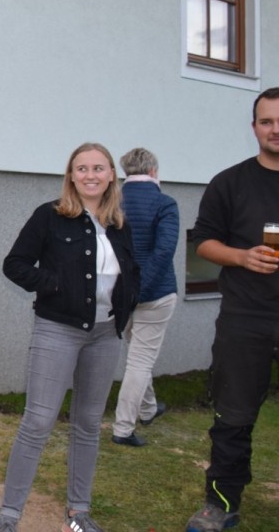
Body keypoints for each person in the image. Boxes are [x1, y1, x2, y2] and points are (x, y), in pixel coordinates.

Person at [0, 143, 139, 532]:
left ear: (112, 175)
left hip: (105, 335)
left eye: (98, 168)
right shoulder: (50, 216)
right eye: (82, 168)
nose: (90, 175)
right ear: (71, 176)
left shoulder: (119, 224)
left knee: (88, 424)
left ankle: (77, 514)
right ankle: (9, 517)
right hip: (57, 329)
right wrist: (55, 284)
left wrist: (128, 303)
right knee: (38, 421)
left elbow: (131, 271)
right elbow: (15, 265)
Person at [185, 86, 279, 532]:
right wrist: (242, 256)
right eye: (267, 121)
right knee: (233, 418)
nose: (275, 129)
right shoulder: (230, 182)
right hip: (245, 317)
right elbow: (203, 242)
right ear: (254, 127)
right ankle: (221, 504)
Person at [110, 147, 180, 447]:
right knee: (140, 360)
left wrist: (128, 291)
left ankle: (149, 409)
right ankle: (123, 429)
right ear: (153, 171)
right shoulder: (165, 203)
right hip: (157, 294)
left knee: (139, 353)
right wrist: (140, 288)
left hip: (120, 294)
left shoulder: (112, 202)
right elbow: (164, 252)